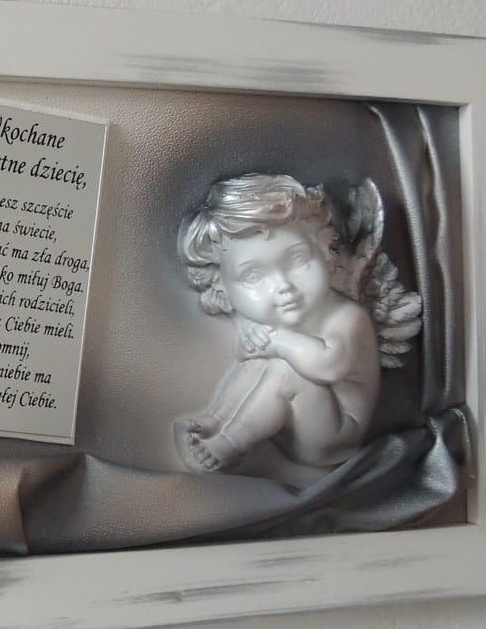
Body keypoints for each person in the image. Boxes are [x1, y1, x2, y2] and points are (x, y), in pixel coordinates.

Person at [174, 174, 419, 473]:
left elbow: (328, 366)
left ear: (325, 250)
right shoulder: (271, 315)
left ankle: (229, 445)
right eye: (254, 276)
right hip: (287, 429)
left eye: (297, 259)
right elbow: (248, 360)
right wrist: (260, 345)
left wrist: (276, 341)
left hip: (332, 438)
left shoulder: (348, 316)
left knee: (285, 371)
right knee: (256, 362)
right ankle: (218, 419)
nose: (283, 286)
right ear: (221, 286)